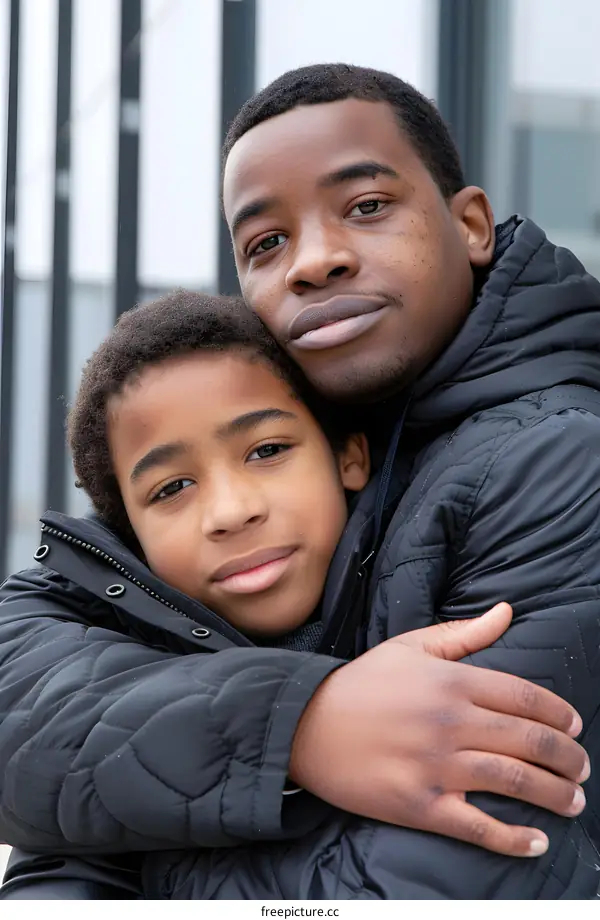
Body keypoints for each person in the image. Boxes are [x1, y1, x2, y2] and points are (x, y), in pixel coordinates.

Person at [0, 63, 596, 898]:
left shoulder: (554, 457)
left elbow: (463, 870)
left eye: (367, 206)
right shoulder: (358, 429)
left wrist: (138, 844)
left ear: (471, 225)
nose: (313, 263)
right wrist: (304, 729)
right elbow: (20, 692)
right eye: (265, 244)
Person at [0, 290, 518, 899]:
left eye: (267, 450)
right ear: (132, 536)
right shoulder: (111, 639)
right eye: (172, 488)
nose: (231, 511)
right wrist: (303, 726)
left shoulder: (445, 578)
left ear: (348, 456)